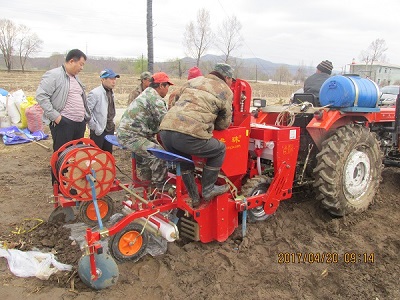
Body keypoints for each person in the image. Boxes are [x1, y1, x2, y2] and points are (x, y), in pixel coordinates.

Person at [159, 63, 234, 207]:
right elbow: (224, 124)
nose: (231, 83)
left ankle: (194, 197)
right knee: (219, 150)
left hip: (165, 132)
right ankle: (208, 189)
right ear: (226, 77)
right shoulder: (225, 90)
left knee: (184, 160)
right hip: (188, 135)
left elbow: (174, 102)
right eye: (231, 79)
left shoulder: (193, 81)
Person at [117, 72, 173, 189]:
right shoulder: (155, 99)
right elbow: (166, 124)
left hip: (133, 132)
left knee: (149, 152)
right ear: (161, 86)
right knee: (160, 155)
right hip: (132, 136)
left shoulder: (146, 93)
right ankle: (160, 187)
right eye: (168, 86)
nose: (168, 89)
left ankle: (146, 181)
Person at [36, 49, 90, 153]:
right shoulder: (54, 75)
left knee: (75, 156)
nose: (82, 68)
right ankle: (59, 170)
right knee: (62, 155)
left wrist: (84, 119)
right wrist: (56, 117)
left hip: (79, 124)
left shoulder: (76, 78)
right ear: (71, 61)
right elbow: (41, 96)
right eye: (81, 64)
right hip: (64, 123)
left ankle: (72, 170)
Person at [87, 68, 120, 153]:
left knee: (107, 154)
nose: (114, 81)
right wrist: (94, 127)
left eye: (115, 79)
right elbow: (87, 111)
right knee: (96, 155)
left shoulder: (111, 92)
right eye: (111, 79)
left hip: (109, 128)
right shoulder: (95, 93)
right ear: (103, 79)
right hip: (99, 130)